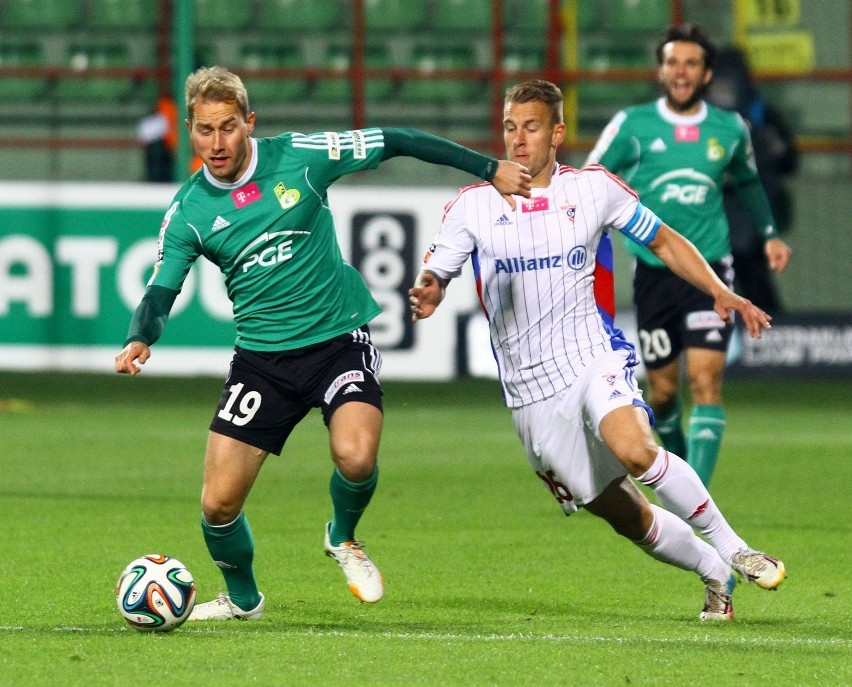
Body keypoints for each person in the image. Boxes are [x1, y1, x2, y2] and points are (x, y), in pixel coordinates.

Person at [114, 66, 532, 621]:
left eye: (229, 127)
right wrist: (141, 336)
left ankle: (343, 536)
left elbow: (398, 139)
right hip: (262, 362)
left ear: (250, 124)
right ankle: (243, 601)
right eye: (205, 129)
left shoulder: (302, 156)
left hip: (338, 340)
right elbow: (161, 289)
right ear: (189, 129)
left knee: (356, 457)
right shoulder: (189, 212)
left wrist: (489, 168)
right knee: (217, 505)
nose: (217, 143)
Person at [409, 79, 786, 621]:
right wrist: (430, 290)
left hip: (591, 354)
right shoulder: (472, 205)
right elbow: (439, 270)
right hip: (530, 390)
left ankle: (734, 547)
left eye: (531, 127)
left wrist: (718, 289)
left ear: (557, 133)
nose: (517, 139)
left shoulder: (592, 189)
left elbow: (662, 240)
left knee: (636, 449)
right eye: (510, 127)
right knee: (624, 515)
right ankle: (713, 568)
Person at [584, 24, 793, 486]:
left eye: (691, 64)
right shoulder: (632, 124)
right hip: (654, 273)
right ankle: (680, 472)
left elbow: (748, 181)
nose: (681, 72)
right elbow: (590, 179)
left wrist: (770, 234)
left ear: (706, 73)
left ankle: (697, 496)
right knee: (661, 394)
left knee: (705, 382)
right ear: (661, 70)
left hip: (712, 273)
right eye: (673, 62)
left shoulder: (728, 128)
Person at [708, 47, 799, 315]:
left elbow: (790, 162)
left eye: (730, 80)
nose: (725, 90)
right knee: (704, 294)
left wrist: (771, 151)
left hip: (752, 224)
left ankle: (773, 345)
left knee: (757, 290)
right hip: (710, 224)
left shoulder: (762, 116)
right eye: (719, 81)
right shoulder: (696, 120)